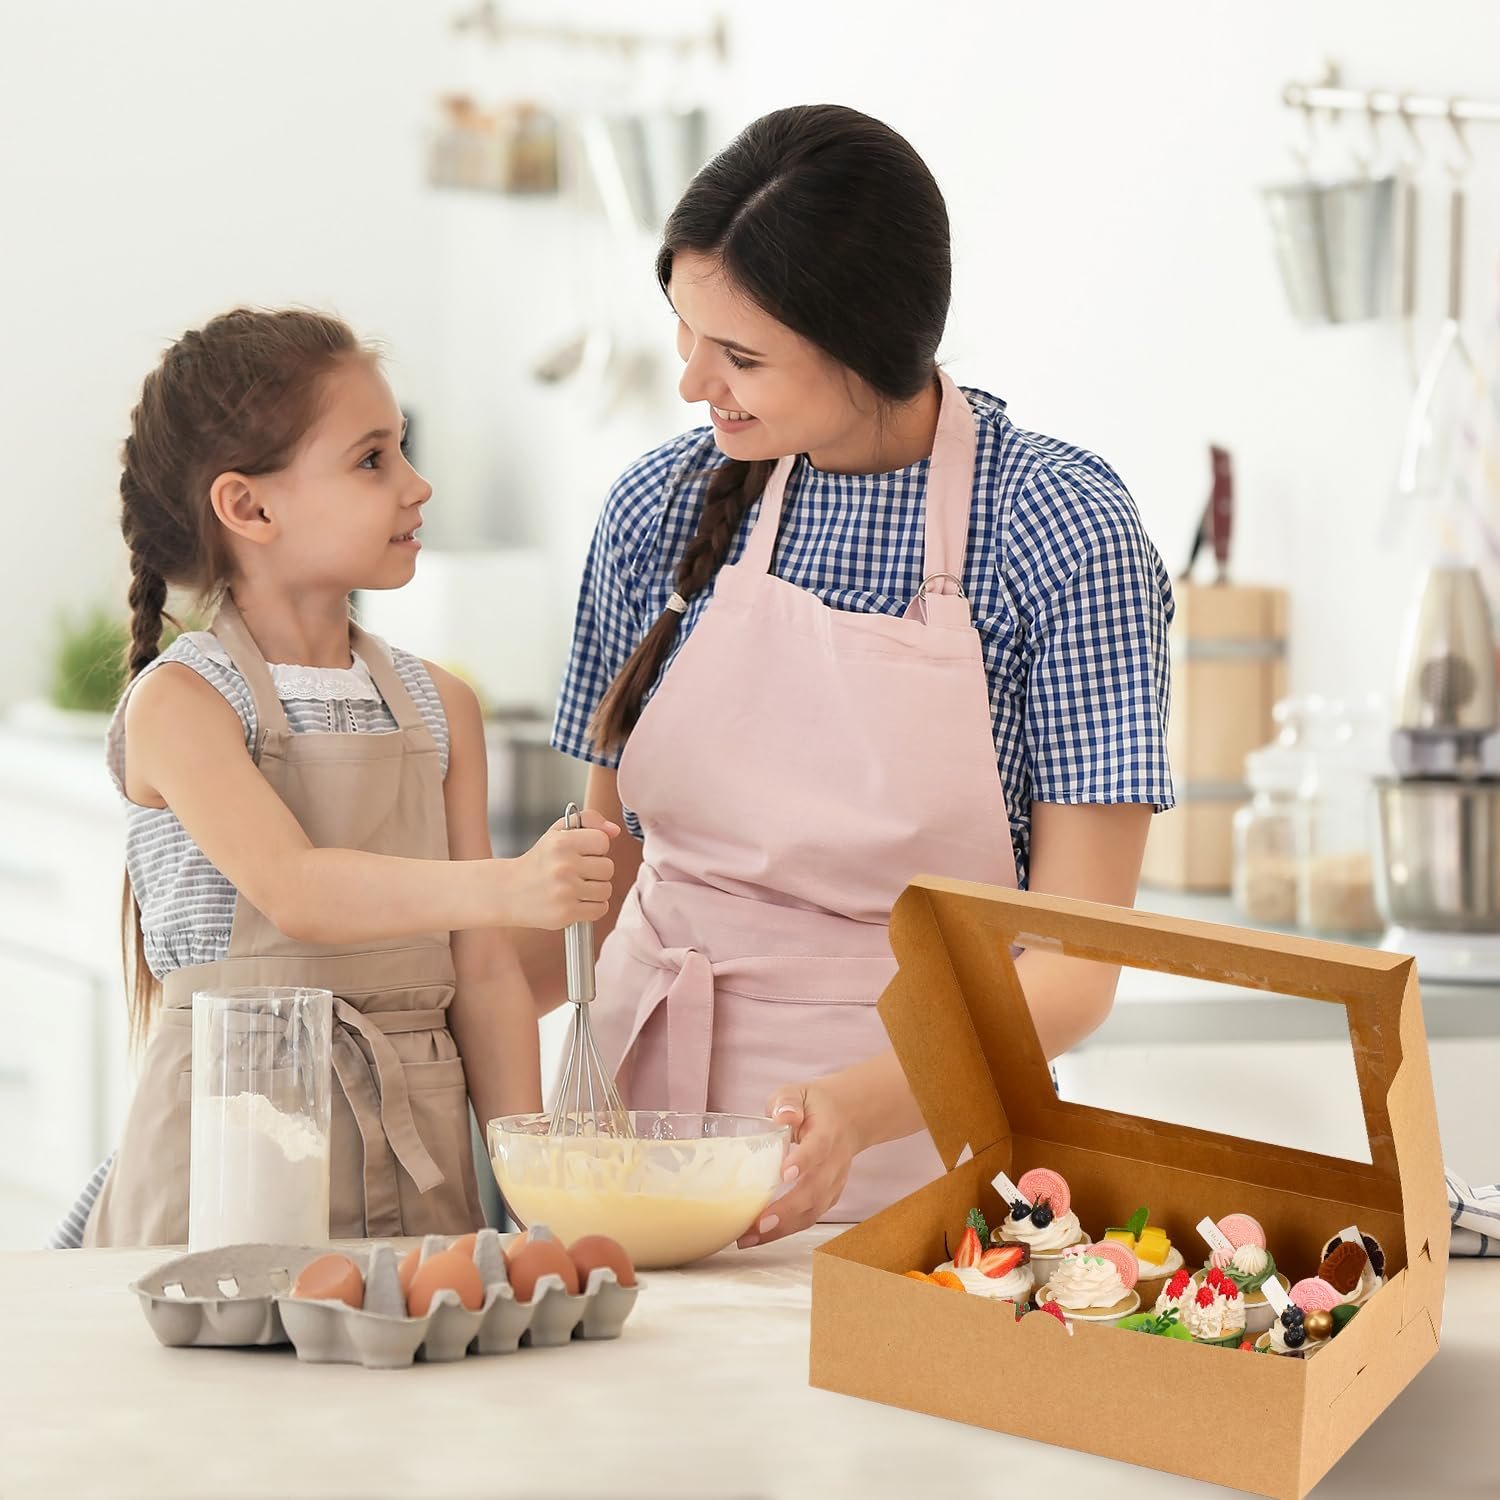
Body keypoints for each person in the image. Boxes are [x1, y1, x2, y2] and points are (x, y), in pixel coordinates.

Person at [520, 104, 1176, 1248]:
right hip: (629, 1147)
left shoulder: (1060, 532)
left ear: (867, 339)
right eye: (685, 335)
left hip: (912, 1172)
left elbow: (1072, 975)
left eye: (740, 357)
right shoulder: (657, 507)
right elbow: (597, 871)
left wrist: (850, 1114)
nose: (692, 386)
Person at [59, 307, 615, 1247]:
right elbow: (297, 890)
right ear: (250, 508)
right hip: (224, 1170)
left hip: (418, 1168)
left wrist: (535, 1201)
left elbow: (481, 975)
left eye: (400, 451)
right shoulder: (184, 705)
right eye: (372, 460)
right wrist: (511, 884)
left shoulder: (441, 707)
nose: (416, 483)